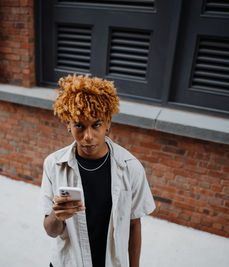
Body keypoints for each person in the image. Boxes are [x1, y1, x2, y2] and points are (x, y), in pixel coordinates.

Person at [40, 74, 155, 267]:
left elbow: (134, 225)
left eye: (96, 125)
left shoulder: (130, 167)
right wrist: (56, 215)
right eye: (79, 125)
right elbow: (51, 231)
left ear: (108, 122)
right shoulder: (53, 165)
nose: (88, 136)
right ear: (68, 125)